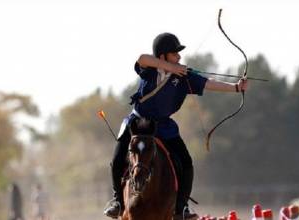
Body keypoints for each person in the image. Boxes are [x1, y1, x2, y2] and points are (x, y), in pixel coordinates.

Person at [103, 32, 248, 220]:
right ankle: (118, 202)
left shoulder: (183, 77)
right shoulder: (150, 70)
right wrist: (170, 67)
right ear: (162, 56)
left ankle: (181, 208)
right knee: (117, 159)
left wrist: (236, 87)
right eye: (174, 54)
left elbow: (208, 84)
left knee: (186, 163)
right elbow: (142, 58)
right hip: (139, 124)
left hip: (163, 127)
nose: (179, 57)